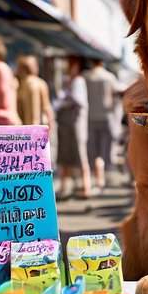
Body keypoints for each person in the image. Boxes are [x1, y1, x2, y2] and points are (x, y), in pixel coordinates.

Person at [54, 56, 92, 199]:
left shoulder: (78, 81)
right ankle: (65, 187)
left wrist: (64, 100)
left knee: (79, 155)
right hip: (69, 123)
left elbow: (78, 100)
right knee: (65, 156)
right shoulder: (71, 81)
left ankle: (85, 187)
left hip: (75, 123)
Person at [84, 58, 124, 191]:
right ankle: (104, 178)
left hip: (89, 117)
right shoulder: (109, 77)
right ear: (102, 62)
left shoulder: (86, 77)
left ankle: (97, 179)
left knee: (93, 150)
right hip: (106, 117)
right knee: (105, 149)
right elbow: (119, 91)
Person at [16, 54, 55, 129]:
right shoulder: (40, 83)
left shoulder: (19, 85)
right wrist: (51, 124)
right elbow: (47, 107)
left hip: (24, 129)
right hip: (38, 127)